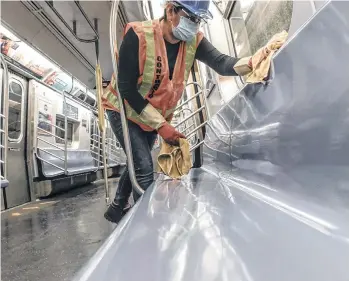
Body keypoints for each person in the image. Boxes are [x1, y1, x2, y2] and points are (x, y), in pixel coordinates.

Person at [102, 0, 261, 223]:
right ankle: (147, 226)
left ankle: (117, 208)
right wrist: (162, 126)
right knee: (144, 167)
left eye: (198, 20)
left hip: (151, 116)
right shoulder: (137, 35)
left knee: (139, 160)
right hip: (123, 108)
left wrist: (253, 62)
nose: (195, 26)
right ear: (170, 11)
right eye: (191, 18)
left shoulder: (193, 41)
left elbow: (221, 62)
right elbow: (126, 87)